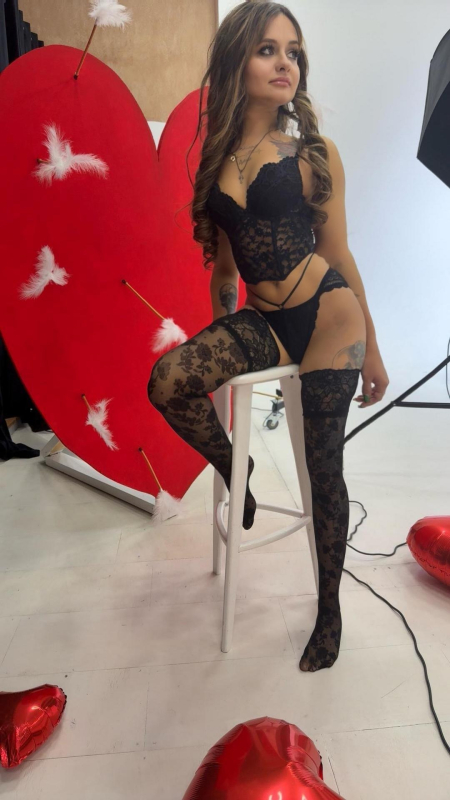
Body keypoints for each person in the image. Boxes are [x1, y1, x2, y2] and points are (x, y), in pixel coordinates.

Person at [148, 1, 389, 672]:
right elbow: (225, 271)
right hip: (263, 321)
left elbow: (338, 254)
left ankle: (329, 612)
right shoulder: (217, 161)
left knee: (323, 469)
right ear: (237, 61)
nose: (286, 63)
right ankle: (237, 467)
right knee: (167, 381)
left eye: (294, 52)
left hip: (329, 317)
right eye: (268, 50)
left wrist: (373, 348)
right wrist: (220, 337)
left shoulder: (313, 154)